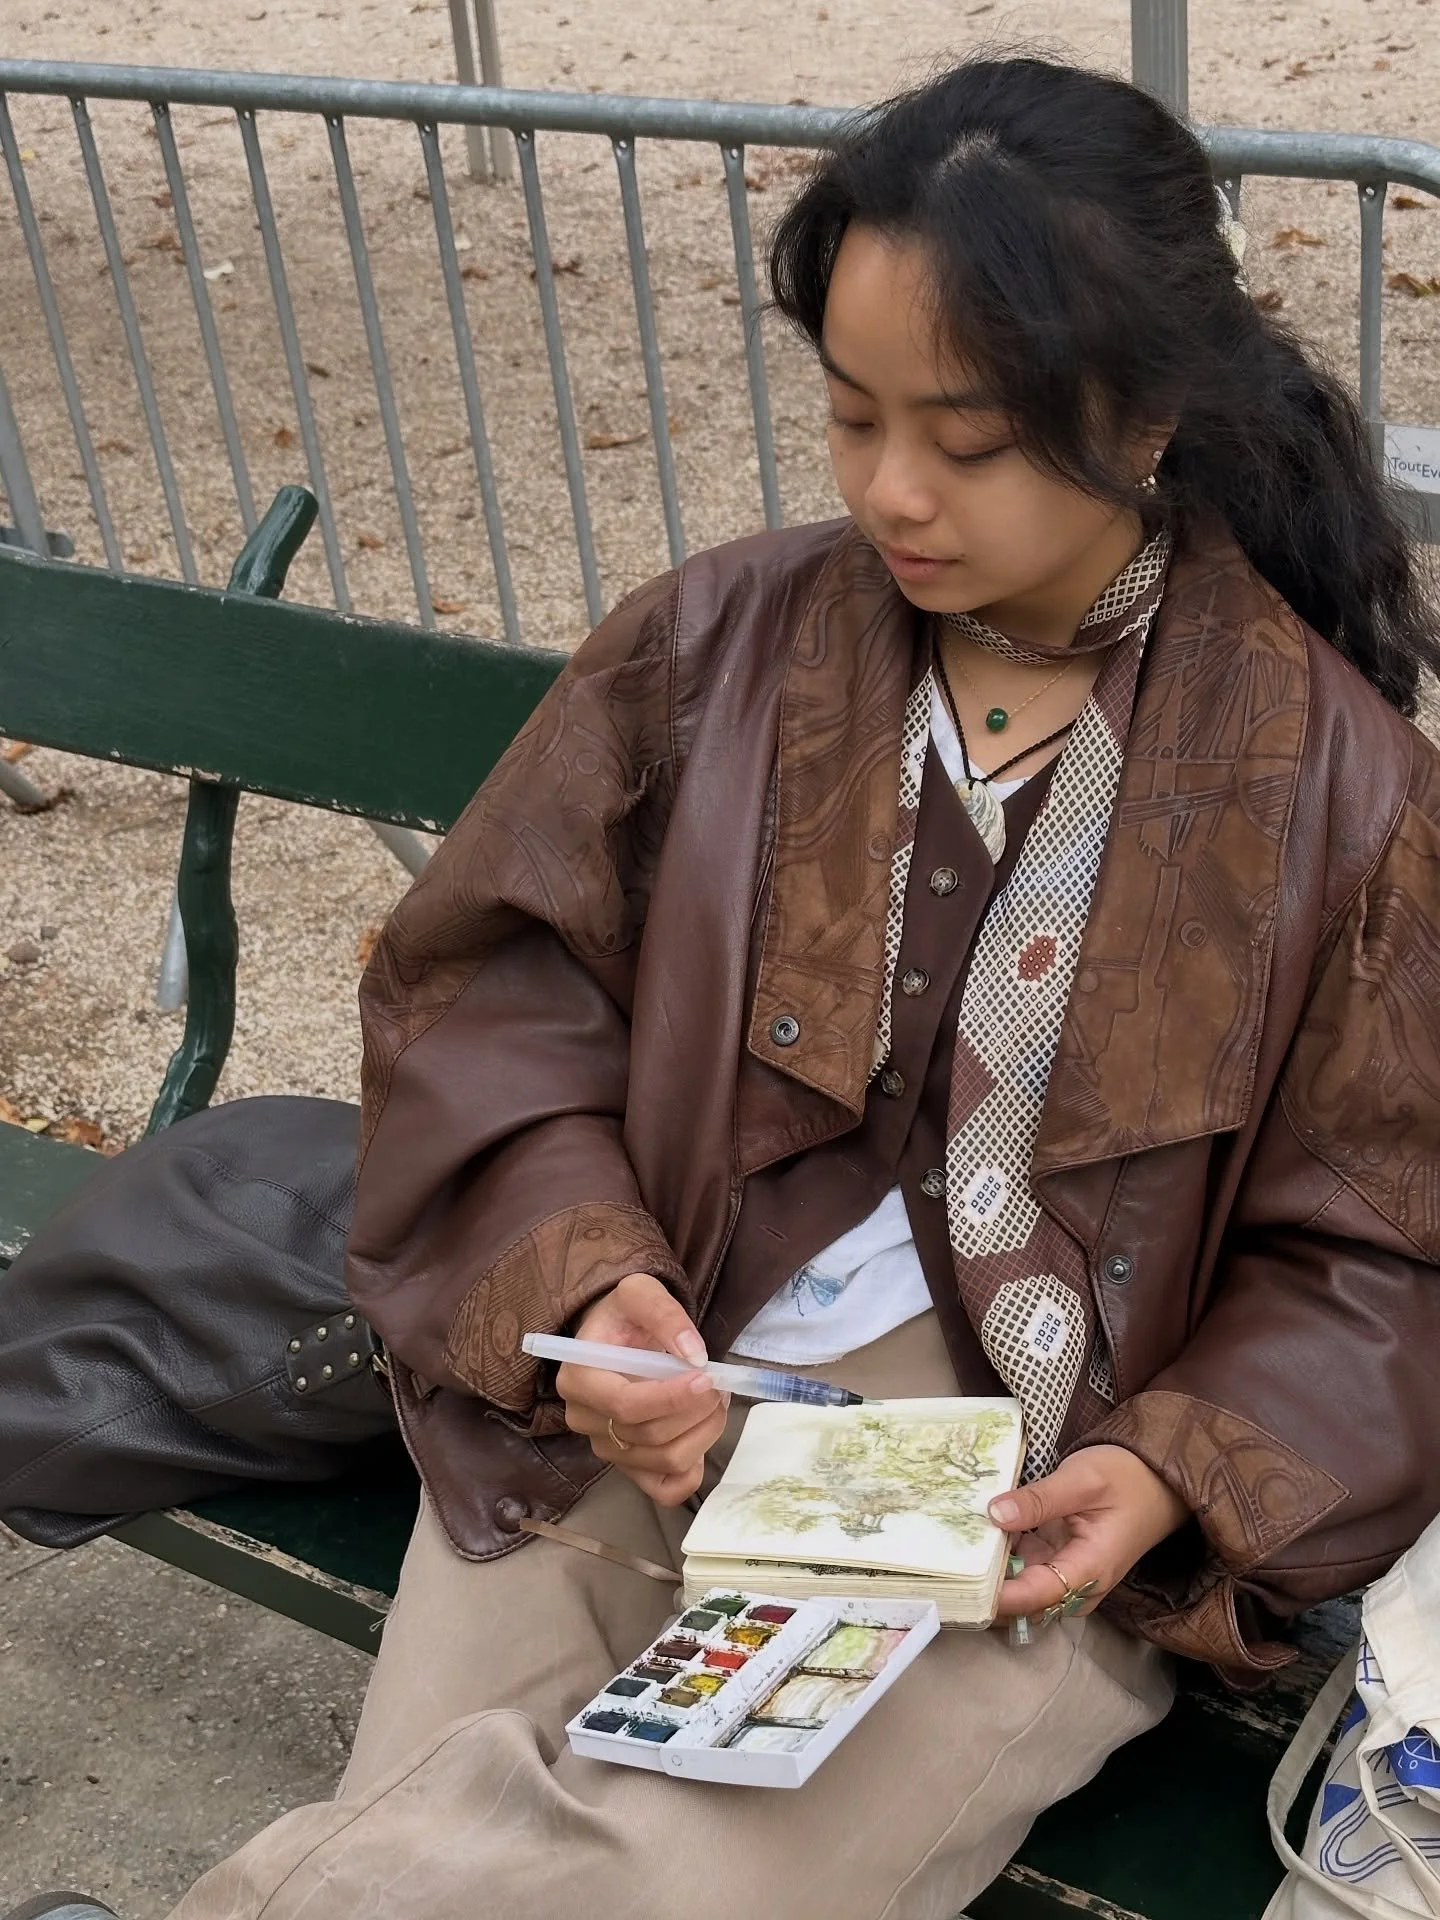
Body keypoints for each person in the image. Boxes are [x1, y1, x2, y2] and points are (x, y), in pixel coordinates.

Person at [16, 50, 1440, 1920]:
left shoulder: (1336, 790)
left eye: (969, 441)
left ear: (1150, 410)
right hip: (666, 1351)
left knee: (661, 1875)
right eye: (850, 415)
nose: (892, 491)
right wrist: (587, 1276)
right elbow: (498, 999)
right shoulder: (716, 645)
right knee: (444, 1805)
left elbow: (1382, 1253)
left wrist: (1175, 1471)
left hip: (1029, 1478)